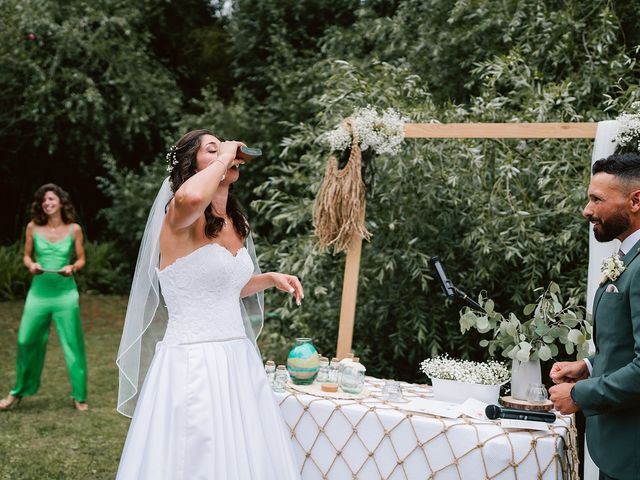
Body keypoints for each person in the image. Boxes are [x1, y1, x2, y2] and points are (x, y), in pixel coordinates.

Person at [115, 129, 302, 479]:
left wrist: (270, 279)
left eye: (225, 149)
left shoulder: (234, 222)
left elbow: (222, 287)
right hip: (193, 360)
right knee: (197, 454)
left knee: (245, 453)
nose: (226, 155)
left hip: (237, 358)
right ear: (192, 165)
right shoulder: (179, 214)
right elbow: (191, 197)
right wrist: (223, 156)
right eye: (211, 150)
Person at [549, 152, 640, 480]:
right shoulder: (628, 255)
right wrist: (588, 366)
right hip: (618, 446)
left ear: (635, 200)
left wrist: (578, 394)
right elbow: (625, 343)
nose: (587, 210)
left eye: (597, 199)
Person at [0, 183, 88, 412]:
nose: (47, 203)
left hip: (65, 295)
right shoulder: (32, 227)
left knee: (72, 344)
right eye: (44, 200)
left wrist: (72, 267)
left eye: (51, 199)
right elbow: (26, 257)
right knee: (24, 340)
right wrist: (32, 265)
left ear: (61, 202)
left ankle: (79, 396)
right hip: (39, 294)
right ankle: (17, 392)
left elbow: (81, 259)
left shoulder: (74, 229)